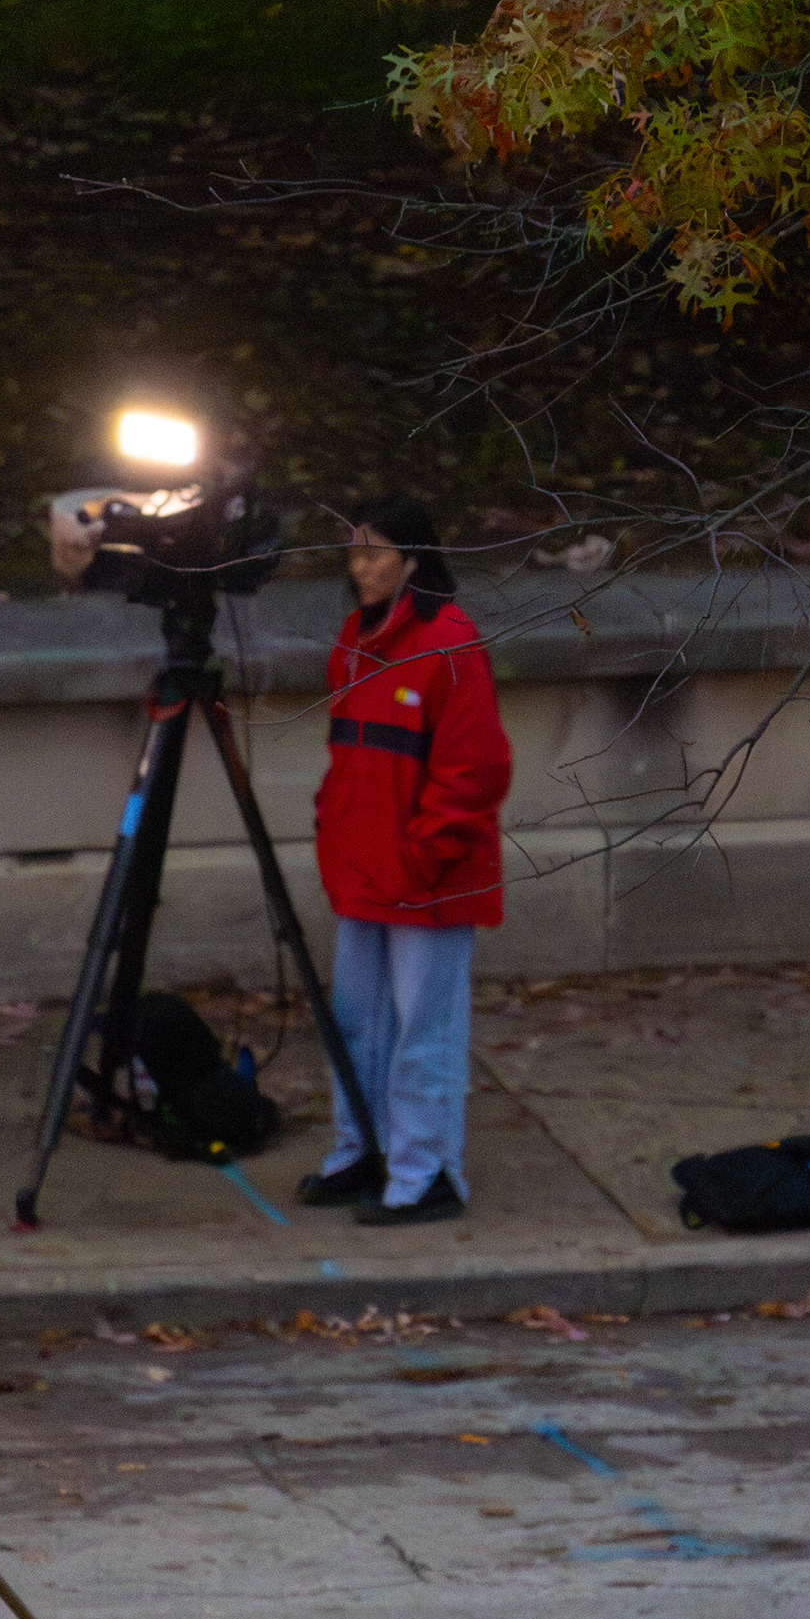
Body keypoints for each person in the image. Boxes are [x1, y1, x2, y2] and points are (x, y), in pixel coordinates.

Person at [300, 495, 510, 1225]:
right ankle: (365, 1151)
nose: (360, 567)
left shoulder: (449, 645)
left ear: (412, 560)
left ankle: (423, 1173)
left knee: (423, 1031)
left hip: (422, 878)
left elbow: (474, 770)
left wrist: (426, 853)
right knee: (359, 1023)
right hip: (370, 869)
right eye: (354, 553)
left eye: (375, 552)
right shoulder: (357, 641)